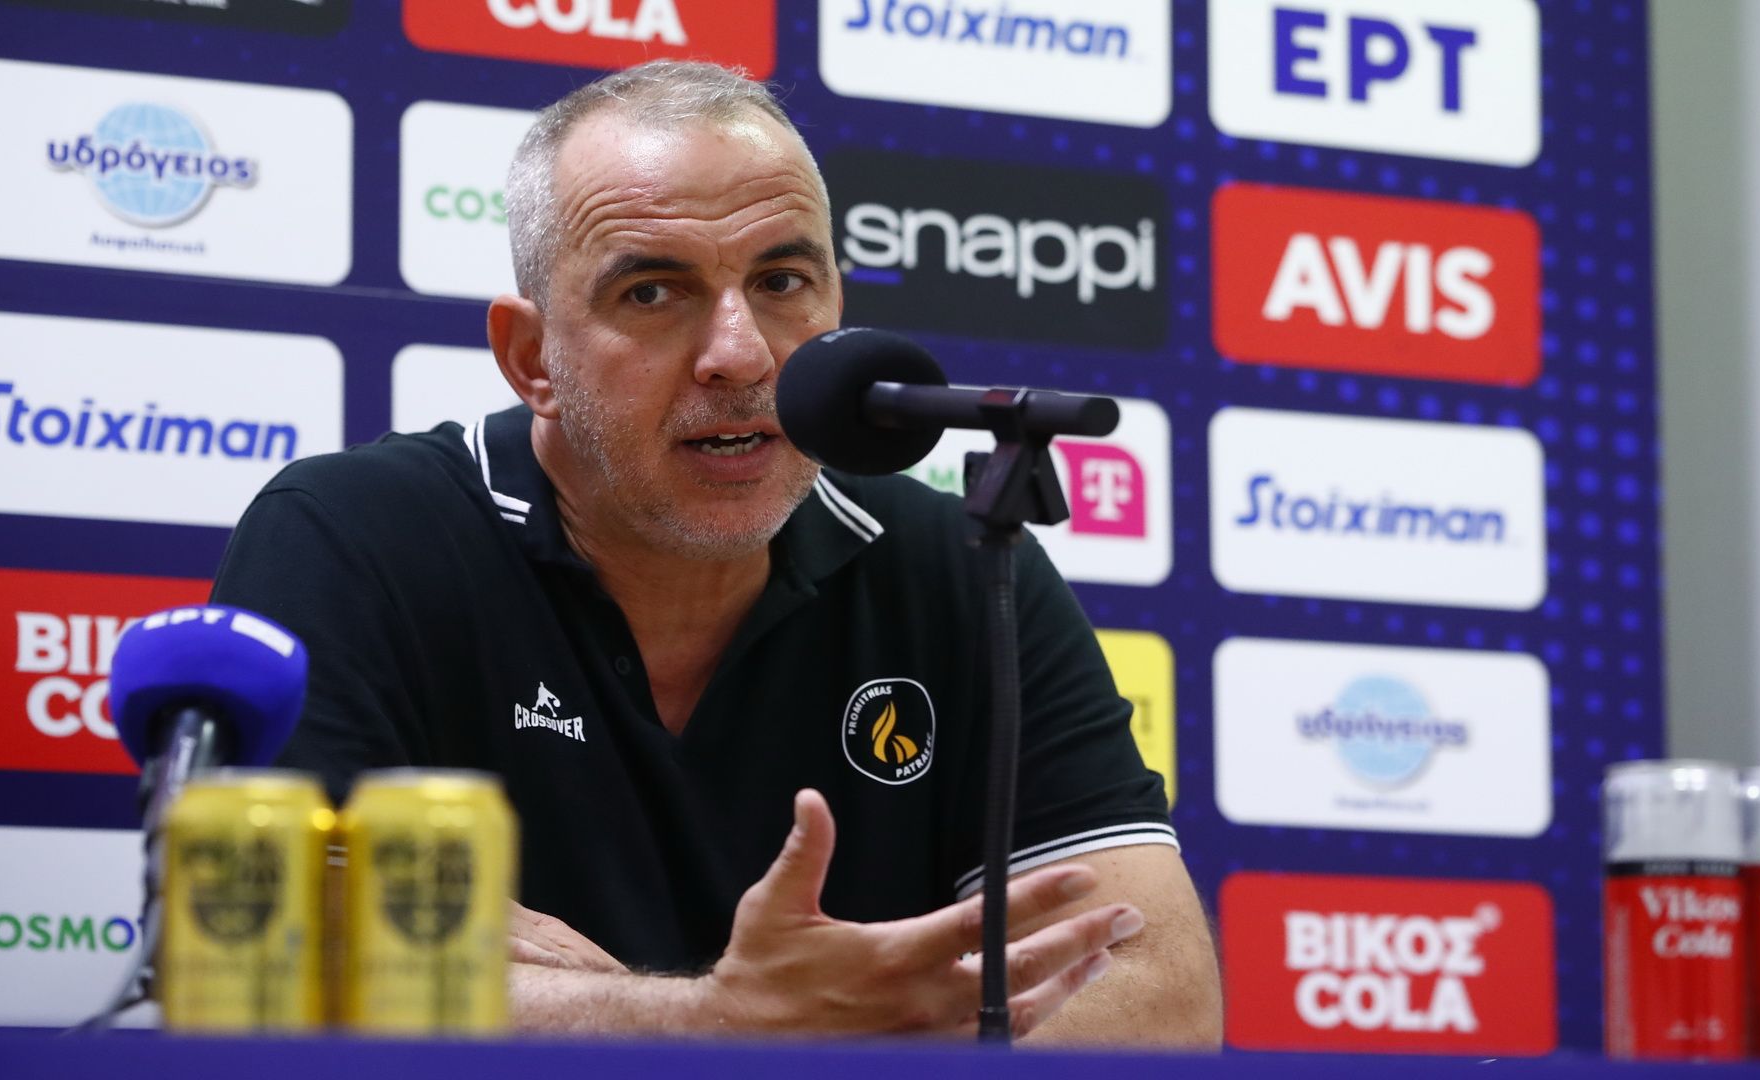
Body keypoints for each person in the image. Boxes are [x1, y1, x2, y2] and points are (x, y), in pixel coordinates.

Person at [211, 60, 1221, 1045]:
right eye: (653, 293)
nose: (740, 353)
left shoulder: (960, 562)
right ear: (532, 358)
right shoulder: (352, 538)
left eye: (782, 281)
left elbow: (1160, 999)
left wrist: (571, 1007)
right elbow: (269, 962)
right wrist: (719, 1021)